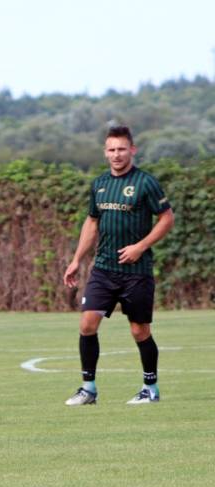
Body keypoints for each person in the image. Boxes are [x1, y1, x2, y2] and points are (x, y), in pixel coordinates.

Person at [63, 125, 174, 405]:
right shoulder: (99, 184)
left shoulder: (146, 183)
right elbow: (92, 222)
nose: (116, 154)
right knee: (87, 324)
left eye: (122, 149)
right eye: (111, 149)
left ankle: (150, 388)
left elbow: (167, 218)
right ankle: (88, 389)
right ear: (105, 152)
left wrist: (140, 246)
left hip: (136, 273)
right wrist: (76, 260)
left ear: (132, 150)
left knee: (139, 331)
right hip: (103, 269)